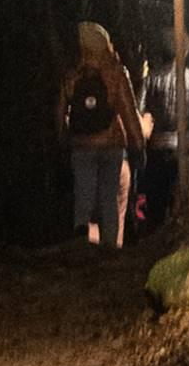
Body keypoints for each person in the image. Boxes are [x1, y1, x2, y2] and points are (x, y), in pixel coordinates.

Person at [59, 24, 145, 251]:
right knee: (109, 197)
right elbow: (128, 111)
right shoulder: (116, 72)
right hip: (111, 145)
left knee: (84, 194)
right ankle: (110, 250)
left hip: (81, 145)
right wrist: (138, 144)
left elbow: (60, 111)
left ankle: (82, 244)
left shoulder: (74, 75)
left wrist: (63, 138)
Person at [136, 52, 189, 230]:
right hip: (186, 148)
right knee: (185, 203)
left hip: (156, 147)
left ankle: (154, 242)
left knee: (156, 204)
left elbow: (139, 111)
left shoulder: (150, 80)